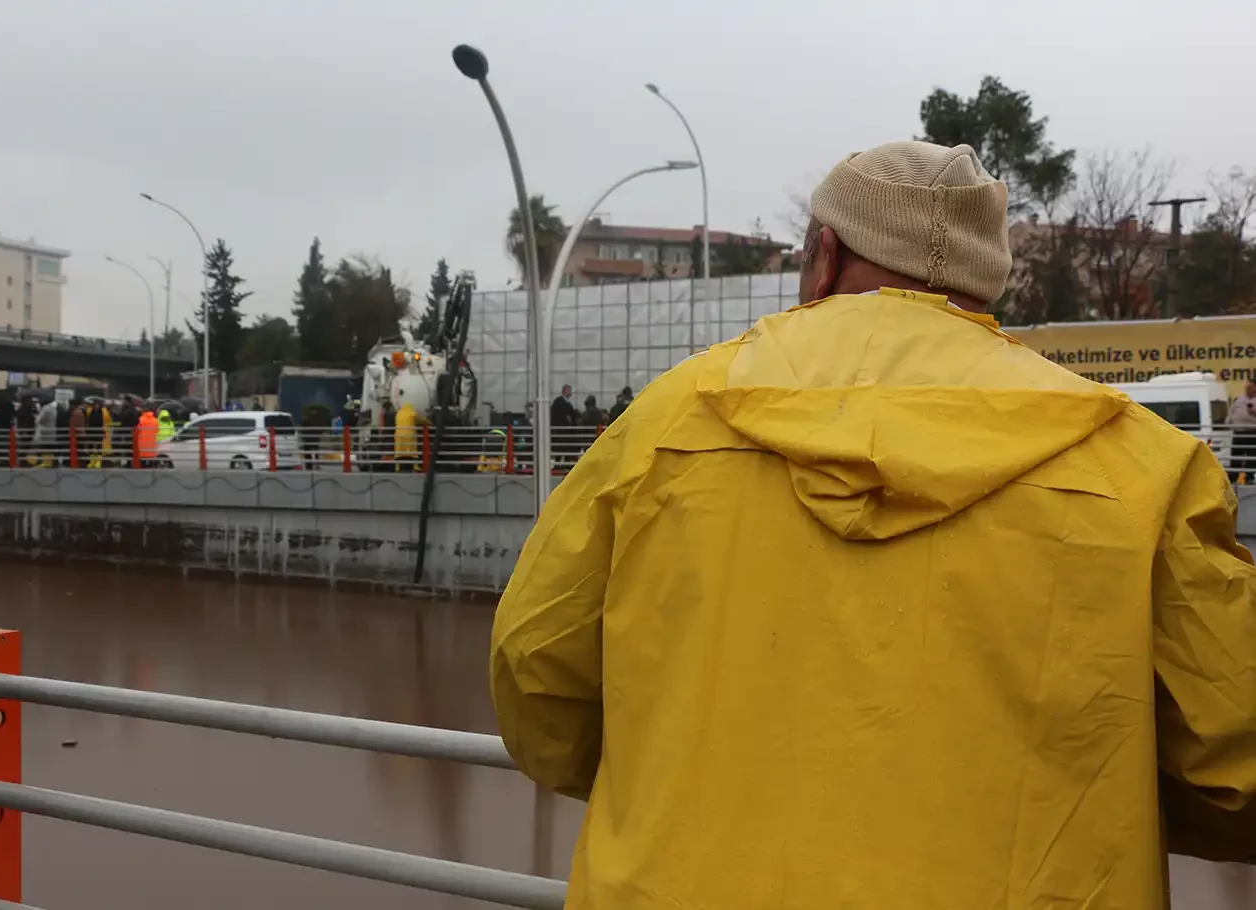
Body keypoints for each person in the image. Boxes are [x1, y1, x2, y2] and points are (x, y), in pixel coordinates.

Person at [490, 140, 1256, 909]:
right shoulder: (1146, 469)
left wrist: (664, 781)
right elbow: (1236, 758)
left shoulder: (662, 424)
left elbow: (537, 672)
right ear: (985, 282)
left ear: (823, 257)